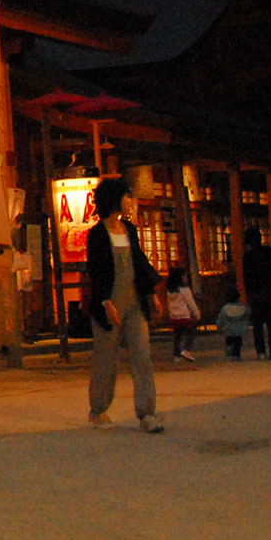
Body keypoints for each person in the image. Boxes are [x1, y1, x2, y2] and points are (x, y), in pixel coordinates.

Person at [84, 176, 164, 433]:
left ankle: (147, 413)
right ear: (115, 199)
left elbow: (139, 263)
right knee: (106, 360)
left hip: (134, 302)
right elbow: (96, 271)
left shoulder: (130, 230)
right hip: (109, 304)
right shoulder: (96, 235)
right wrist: (106, 302)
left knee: (142, 356)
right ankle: (98, 409)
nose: (130, 201)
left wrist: (151, 293)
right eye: (127, 196)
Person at [240, 225, 271, 360]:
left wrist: (247, 294)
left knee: (257, 324)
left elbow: (246, 277)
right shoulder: (269, 251)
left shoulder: (247, 257)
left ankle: (261, 351)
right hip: (270, 290)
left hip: (255, 293)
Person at [164, 263, 201, 364]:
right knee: (191, 331)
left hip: (174, 317)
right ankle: (186, 349)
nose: (186, 278)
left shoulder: (170, 291)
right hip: (184, 315)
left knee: (177, 336)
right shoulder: (185, 290)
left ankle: (176, 355)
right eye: (184, 276)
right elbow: (190, 302)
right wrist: (196, 313)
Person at [215, 290, 251, 359]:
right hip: (239, 329)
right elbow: (247, 315)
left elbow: (221, 318)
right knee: (238, 342)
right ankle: (236, 355)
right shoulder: (242, 308)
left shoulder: (224, 308)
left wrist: (218, 326)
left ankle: (229, 351)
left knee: (229, 340)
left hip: (228, 329)